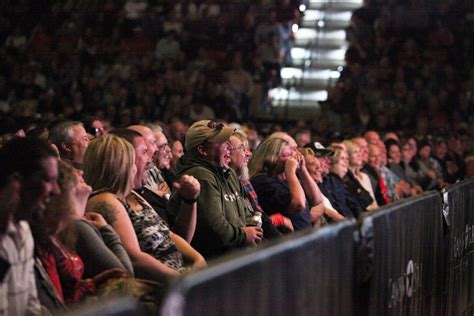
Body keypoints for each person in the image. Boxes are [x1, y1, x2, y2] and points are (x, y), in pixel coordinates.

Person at [83, 134, 206, 282]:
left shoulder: (133, 195)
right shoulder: (105, 200)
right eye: (132, 162)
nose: (136, 168)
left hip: (180, 277)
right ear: (121, 166)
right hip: (161, 288)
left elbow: (168, 234)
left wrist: (198, 259)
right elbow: (135, 259)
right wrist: (182, 281)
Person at [32, 160, 128, 309]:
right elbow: (126, 277)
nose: (81, 172)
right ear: (60, 190)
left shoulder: (69, 227)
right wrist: (107, 231)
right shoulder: (77, 227)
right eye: (71, 171)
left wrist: (90, 285)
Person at [168, 120, 263, 259]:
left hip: (236, 256)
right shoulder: (200, 176)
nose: (229, 147)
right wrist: (243, 235)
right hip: (215, 263)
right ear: (202, 150)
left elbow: (248, 211)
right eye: (223, 142)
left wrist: (253, 229)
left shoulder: (228, 173)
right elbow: (215, 229)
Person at [0, 137, 60, 315]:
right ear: (16, 181)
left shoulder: (23, 231)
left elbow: (30, 307)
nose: (56, 190)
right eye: (47, 180)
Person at [249, 136, 317, 230]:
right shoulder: (263, 181)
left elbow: (317, 199)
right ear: (272, 158)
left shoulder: (286, 179)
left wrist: (303, 170)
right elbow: (299, 204)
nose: (293, 158)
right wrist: (291, 172)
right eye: (288, 155)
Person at [228, 131, 284, 237]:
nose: (249, 153)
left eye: (248, 149)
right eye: (243, 149)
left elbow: (259, 216)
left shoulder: (244, 181)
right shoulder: (261, 181)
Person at [344, 140, 378, 211]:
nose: (360, 155)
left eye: (359, 151)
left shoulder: (364, 176)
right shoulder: (346, 180)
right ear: (347, 156)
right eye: (355, 152)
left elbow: (374, 203)